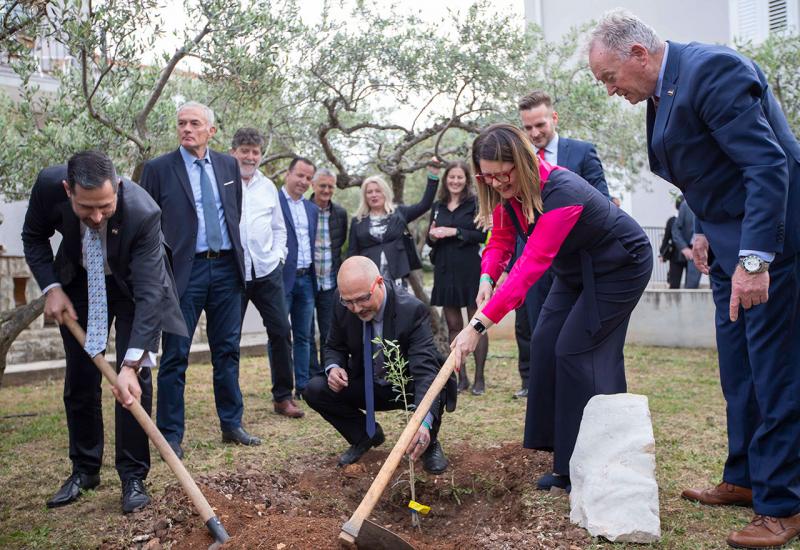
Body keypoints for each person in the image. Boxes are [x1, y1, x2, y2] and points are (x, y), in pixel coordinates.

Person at [588, 10, 800, 547]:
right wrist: (702, 229)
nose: (611, 92)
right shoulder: (660, 93)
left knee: (775, 374)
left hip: (771, 248)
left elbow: (765, 166)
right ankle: (745, 478)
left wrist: (755, 260)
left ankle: (783, 505)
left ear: (639, 54)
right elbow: (707, 171)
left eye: (610, 78)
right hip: (726, 245)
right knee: (739, 371)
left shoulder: (714, 72)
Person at [450, 124, 652, 493]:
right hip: (574, 268)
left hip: (619, 264)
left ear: (522, 162)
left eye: (501, 174)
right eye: (487, 176)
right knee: (544, 342)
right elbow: (501, 240)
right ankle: (558, 447)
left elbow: (530, 266)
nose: (494, 183)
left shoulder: (563, 191)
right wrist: (485, 278)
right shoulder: (505, 193)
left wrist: (476, 326)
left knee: (575, 351)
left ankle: (582, 463)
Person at [21, 151, 186, 513]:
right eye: (86, 208)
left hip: (129, 286)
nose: (96, 217)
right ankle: (84, 469)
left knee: (134, 381)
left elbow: (149, 294)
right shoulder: (48, 187)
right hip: (78, 280)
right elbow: (33, 236)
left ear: (120, 188)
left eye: (106, 208)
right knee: (80, 376)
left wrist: (130, 365)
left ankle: (133, 476)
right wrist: (51, 287)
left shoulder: (144, 213)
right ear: (68, 190)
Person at [140, 101, 260, 459]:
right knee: (175, 355)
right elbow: (148, 225)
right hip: (183, 274)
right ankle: (170, 435)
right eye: (181, 123)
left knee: (227, 351)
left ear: (211, 130)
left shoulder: (227, 164)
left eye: (194, 123)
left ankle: (231, 423)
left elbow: (233, 213)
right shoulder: (158, 169)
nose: (186, 129)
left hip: (225, 269)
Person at [304, 256, 451, 474]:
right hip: (365, 383)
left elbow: (424, 372)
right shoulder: (341, 301)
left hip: (404, 385)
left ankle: (427, 442)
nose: (355, 308)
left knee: (439, 382)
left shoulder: (411, 310)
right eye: (349, 301)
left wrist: (423, 423)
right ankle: (364, 435)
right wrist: (334, 367)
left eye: (362, 299)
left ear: (379, 282)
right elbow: (333, 346)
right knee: (315, 389)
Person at [517, 90, 613, 399]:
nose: (535, 134)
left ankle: (577, 386)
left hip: (574, 259)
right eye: (528, 128)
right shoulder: (521, 161)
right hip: (533, 260)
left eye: (540, 125)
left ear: (554, 118)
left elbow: (602, 202)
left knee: (574, 326)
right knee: (536, 327)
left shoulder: (583, 153)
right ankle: (539, 388)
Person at [230, 128, 303, 419]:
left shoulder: (268, 187)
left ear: (260, 155)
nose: (249, 156)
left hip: (267, 271)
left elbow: (279, 228)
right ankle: (231, 403)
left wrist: (279, 256)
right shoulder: (224, 181)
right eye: (244, 150)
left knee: (281, 331)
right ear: (233, 151)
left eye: (255, 152)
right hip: (234, 273)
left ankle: (283, 397)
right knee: (229, 337)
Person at [426, 160, 488, 395]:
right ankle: (461, 378)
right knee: (454, 326)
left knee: (477, 324)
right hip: (444, 269)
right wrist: (433, 236)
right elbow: (429, 239)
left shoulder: (475, 203)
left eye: (459, 177)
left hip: (469, 268)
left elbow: (482, 235)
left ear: (466, 180)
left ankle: (480, 379)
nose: (455, 181)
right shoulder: (438, 206)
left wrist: (455, 231)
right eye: (451, 177)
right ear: (446, 180)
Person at [347, 166, 439, 285]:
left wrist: (433, 176)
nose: (374, 195)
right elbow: (352, 252)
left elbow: (425, 205)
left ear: (385, 193)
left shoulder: (399, 213)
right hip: (369, 280)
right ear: (365, 196)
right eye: (369, 192)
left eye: (378, 191)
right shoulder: (358, 220)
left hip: (397, 278)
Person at [278, 156, 319, 397]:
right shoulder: (273, 202)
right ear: (288, 173)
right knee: (281, 335)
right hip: (282, 279)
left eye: (308, 178)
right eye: (300, 175)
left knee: (304, 336)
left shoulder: (311, 209)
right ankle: (282, 388)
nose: (303, 181)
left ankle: (302, 386)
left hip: (306, 279)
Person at [309, 168, 348, 376]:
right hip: (307, 281)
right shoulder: (304, 208)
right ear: (313, 185)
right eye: (322, 185)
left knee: (329, 332)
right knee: (305, 333)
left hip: (330, 283)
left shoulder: (340, 213)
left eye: (330, 186)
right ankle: (309, 376)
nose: (326, 190)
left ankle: (327, 374)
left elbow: (340, 244)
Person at [672, 197, 701, 289]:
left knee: (720, 288)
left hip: (716, 251)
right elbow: (676, 229)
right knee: (691, 287)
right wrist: (684, 247)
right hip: (695, 251)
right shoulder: (686, 205)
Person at [658, 197, 684, 289]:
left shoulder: (693, 219)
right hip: (675, 255)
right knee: (674, 284)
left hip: (690, 256)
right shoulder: (672, 220)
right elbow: (666, 237)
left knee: (691, 285)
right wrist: (662, 253)